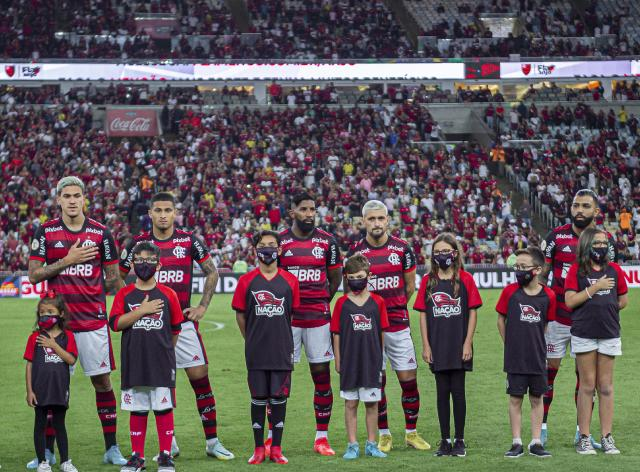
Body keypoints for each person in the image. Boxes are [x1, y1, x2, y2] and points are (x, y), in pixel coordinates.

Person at [120, 192, 233, 460]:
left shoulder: (188, 240)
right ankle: (168, 442)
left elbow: (212, 271)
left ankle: (212, 441)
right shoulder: (137, 244)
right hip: (150, 326)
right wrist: (134, 303)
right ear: (150, 213)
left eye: (167, 210)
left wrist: (203, 306)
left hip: (182, 323)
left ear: (174, 213)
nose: (162, 214)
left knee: (199, 377)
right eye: (157, 210)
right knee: (161, 384)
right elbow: (116, 277)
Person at [28, 176, 127, 466]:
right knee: (50, 388)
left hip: (93, 322)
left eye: (77, 195)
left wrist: (127, 299)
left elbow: (113, 279)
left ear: (85, 199)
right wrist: (67, 261)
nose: (72, 200)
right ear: (58, 200)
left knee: (102, 382)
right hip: (57, 327)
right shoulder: (45, 232)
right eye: (66, 196)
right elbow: (33, 274)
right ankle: (46, 452)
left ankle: (111, 448)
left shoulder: (101, 233)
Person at [348, 200, 430, 453]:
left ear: (388, 220)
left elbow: (409, 287)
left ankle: (411, 433)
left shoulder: (402, 249)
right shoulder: (356, 253)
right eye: (371, 219)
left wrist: (390, 309)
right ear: (363, 222)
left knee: (408, 379)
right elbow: (350, 291)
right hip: (369, 331)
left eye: (380, 219)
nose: (376, 223)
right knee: (377, 383)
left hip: (397, 325)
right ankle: (384, 434)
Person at [540, 189, 615, 447]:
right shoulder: (556, 237)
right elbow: (542, 273)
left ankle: (580, 432)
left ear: (596, 211)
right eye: (575, 205)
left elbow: (613, 282)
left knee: (586, 380)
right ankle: (542, 426)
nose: (578, 210)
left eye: (585, 206)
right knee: (549, 373)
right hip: (559, 319)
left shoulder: (605, 241)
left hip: (586, 323)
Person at [276, 192, 342, 456]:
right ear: (292, 212)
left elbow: (335, 278)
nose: (309, 214)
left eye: (312, 209)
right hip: (287, 320)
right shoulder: (280, 242)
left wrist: (322, 299)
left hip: (318, 320)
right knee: (280, 379)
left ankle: (321, 437)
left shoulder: (328, 242)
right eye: (303, 209)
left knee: (321, 376)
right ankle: (273, 438)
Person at [110, 242, 184, 472]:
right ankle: (137, 457)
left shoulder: (169, 294)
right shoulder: (124, 294)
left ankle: (164, 456)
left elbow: (175, 330)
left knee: (163, 408)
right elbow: (115, 324)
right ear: (132, 265)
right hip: (134, 361)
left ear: (159, 265)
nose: (145, 265)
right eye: (140, 260)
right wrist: (141, 311)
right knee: (138, 409)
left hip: (161, 361)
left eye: (150, 261)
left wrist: (164, 352)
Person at [232, 230, 300, 465]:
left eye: (272, 245)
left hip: (282, 350)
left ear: (280, 250)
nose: (267, 249)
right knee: (258, 399)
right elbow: (240, 315)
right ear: (255, 250)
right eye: (263, 246)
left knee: (279, 400)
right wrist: (250, 338)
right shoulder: (246, 281)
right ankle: (259, 448)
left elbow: (292, 314)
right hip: (256, 352)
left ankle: (277, 448)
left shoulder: (290, 281)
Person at [414, 233, 482, 457]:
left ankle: (459, 440)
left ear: (454, 253)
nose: (442, 255)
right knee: (442, 393)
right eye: (438, 252)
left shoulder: (465, 279)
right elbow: (423, 315)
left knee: (459, 393)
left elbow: (472, 313)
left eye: (446, 251)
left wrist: (468, 343)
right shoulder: (427, 281)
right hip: (438, 346)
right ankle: (444, 441)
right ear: (432, 255)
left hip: (459, 345)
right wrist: (426, 345)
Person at [564, 228, 628, 455]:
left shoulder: (616, 270)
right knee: (587, 386)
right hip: (584, 333)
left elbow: (622, 300)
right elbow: (570, 301)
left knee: (607, 387)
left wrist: (606, 308)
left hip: (609, 333)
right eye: (597, 242)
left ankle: (607, 436)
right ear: (587, 244)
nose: (602, 246)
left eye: (604, 242)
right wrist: (595, 289)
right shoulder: (576, 271)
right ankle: (584, 437)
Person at [496, 247, 555, 458]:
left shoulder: (548, 295)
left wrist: (538, 344)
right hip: (515, 358)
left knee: (537, 398)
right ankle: (517, 442)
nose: (519, 270)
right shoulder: (510, 292)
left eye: (523, 267)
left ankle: (536, 442)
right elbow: (500, 320)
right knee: (515, 398)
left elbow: (547, 325)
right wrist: (509, 343)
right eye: (516, 267)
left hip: (538, 358)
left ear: (537, 269)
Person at [331, 253, 389, 460]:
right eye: (353, 276)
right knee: (350, 404)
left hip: (371, 362)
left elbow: (381, 332)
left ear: (369, 276)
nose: (357, 279)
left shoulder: (378, 302)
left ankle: (372, 444)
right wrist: (338, 359)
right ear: (346, 277)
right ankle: (352, 444)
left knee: (372, 404)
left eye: (361, 275)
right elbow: (336, 333)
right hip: (349, 362)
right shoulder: (341, 303)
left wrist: (380, 360)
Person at [24, 291, 79, 472]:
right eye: (42, 313)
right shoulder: (34, 337)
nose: (45, 316)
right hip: (40, 389)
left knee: (59, 425)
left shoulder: (68, 336)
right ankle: (42, 462)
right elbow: (29, 365)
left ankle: (65, 461)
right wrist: (29, 391)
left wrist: (54, 346)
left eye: (50, 312)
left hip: (59, 389)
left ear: (61, 313)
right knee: (39, 425)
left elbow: (71, 360)